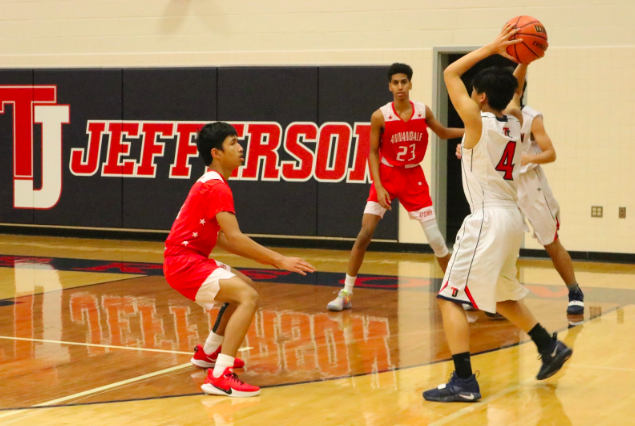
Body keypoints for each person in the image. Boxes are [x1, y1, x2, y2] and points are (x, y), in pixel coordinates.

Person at [423, 25, 572, 403]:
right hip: (511, 220)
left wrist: (493, 48)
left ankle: (463, 381)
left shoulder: (476, 122)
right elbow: (513, 95)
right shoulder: (515, 121)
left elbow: (449, 73)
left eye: (474, 92)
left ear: (481, 96)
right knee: (501, 294)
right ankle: (548, 346)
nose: (469, 95)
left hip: (487, 218)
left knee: (450, 298)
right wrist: (521, 62)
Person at [164, 122, 315, 397]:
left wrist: (267, 258)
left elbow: (220, 238)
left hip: (186, 258)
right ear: (216, 153)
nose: (241, 147)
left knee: (243, 285)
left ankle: (209, 353)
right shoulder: (216, 187)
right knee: (248, 297)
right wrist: (279, 259)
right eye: (233, 143)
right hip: (184, 262)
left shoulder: (209, 182)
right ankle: (220, 375)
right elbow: (234, 237)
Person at [327, 62, 465, 311]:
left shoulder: (423, 111)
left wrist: (472, 129)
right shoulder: (380, 115)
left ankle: (455, 291)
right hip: (387, 175)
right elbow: (371, 153)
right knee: (365, 233)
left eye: (404, 81)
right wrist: (379, 186)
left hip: (413, 176)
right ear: (390, 86)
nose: (400, 86)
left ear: (410, 84)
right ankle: (346, 292)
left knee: (435, 239)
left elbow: (443, 132)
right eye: (395, 82)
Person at [455, 68, 585, 316]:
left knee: (550, 242)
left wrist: (526, 156)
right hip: (503, 186)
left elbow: (551, 153)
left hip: (530, 185)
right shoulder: (488, 119)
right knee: (502, 240)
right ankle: (489, 293)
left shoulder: (527, 117)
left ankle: (574, 290)